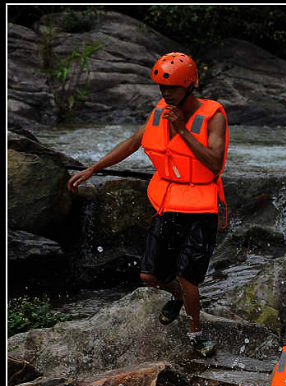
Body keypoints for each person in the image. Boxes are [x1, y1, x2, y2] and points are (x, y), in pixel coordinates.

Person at [67, 52, 228, 358]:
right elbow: (133, 142)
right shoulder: (160, 110)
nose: (165, 94)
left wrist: (181, 129)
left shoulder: (213, 115)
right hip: (169, 203)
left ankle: (196, 331)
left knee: (187, 275)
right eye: (161, 89)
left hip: (201, 207)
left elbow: (216, 163)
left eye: (172, 89)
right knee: (150, 277)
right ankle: (178, 297)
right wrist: (93, 169)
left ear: (189, 86)